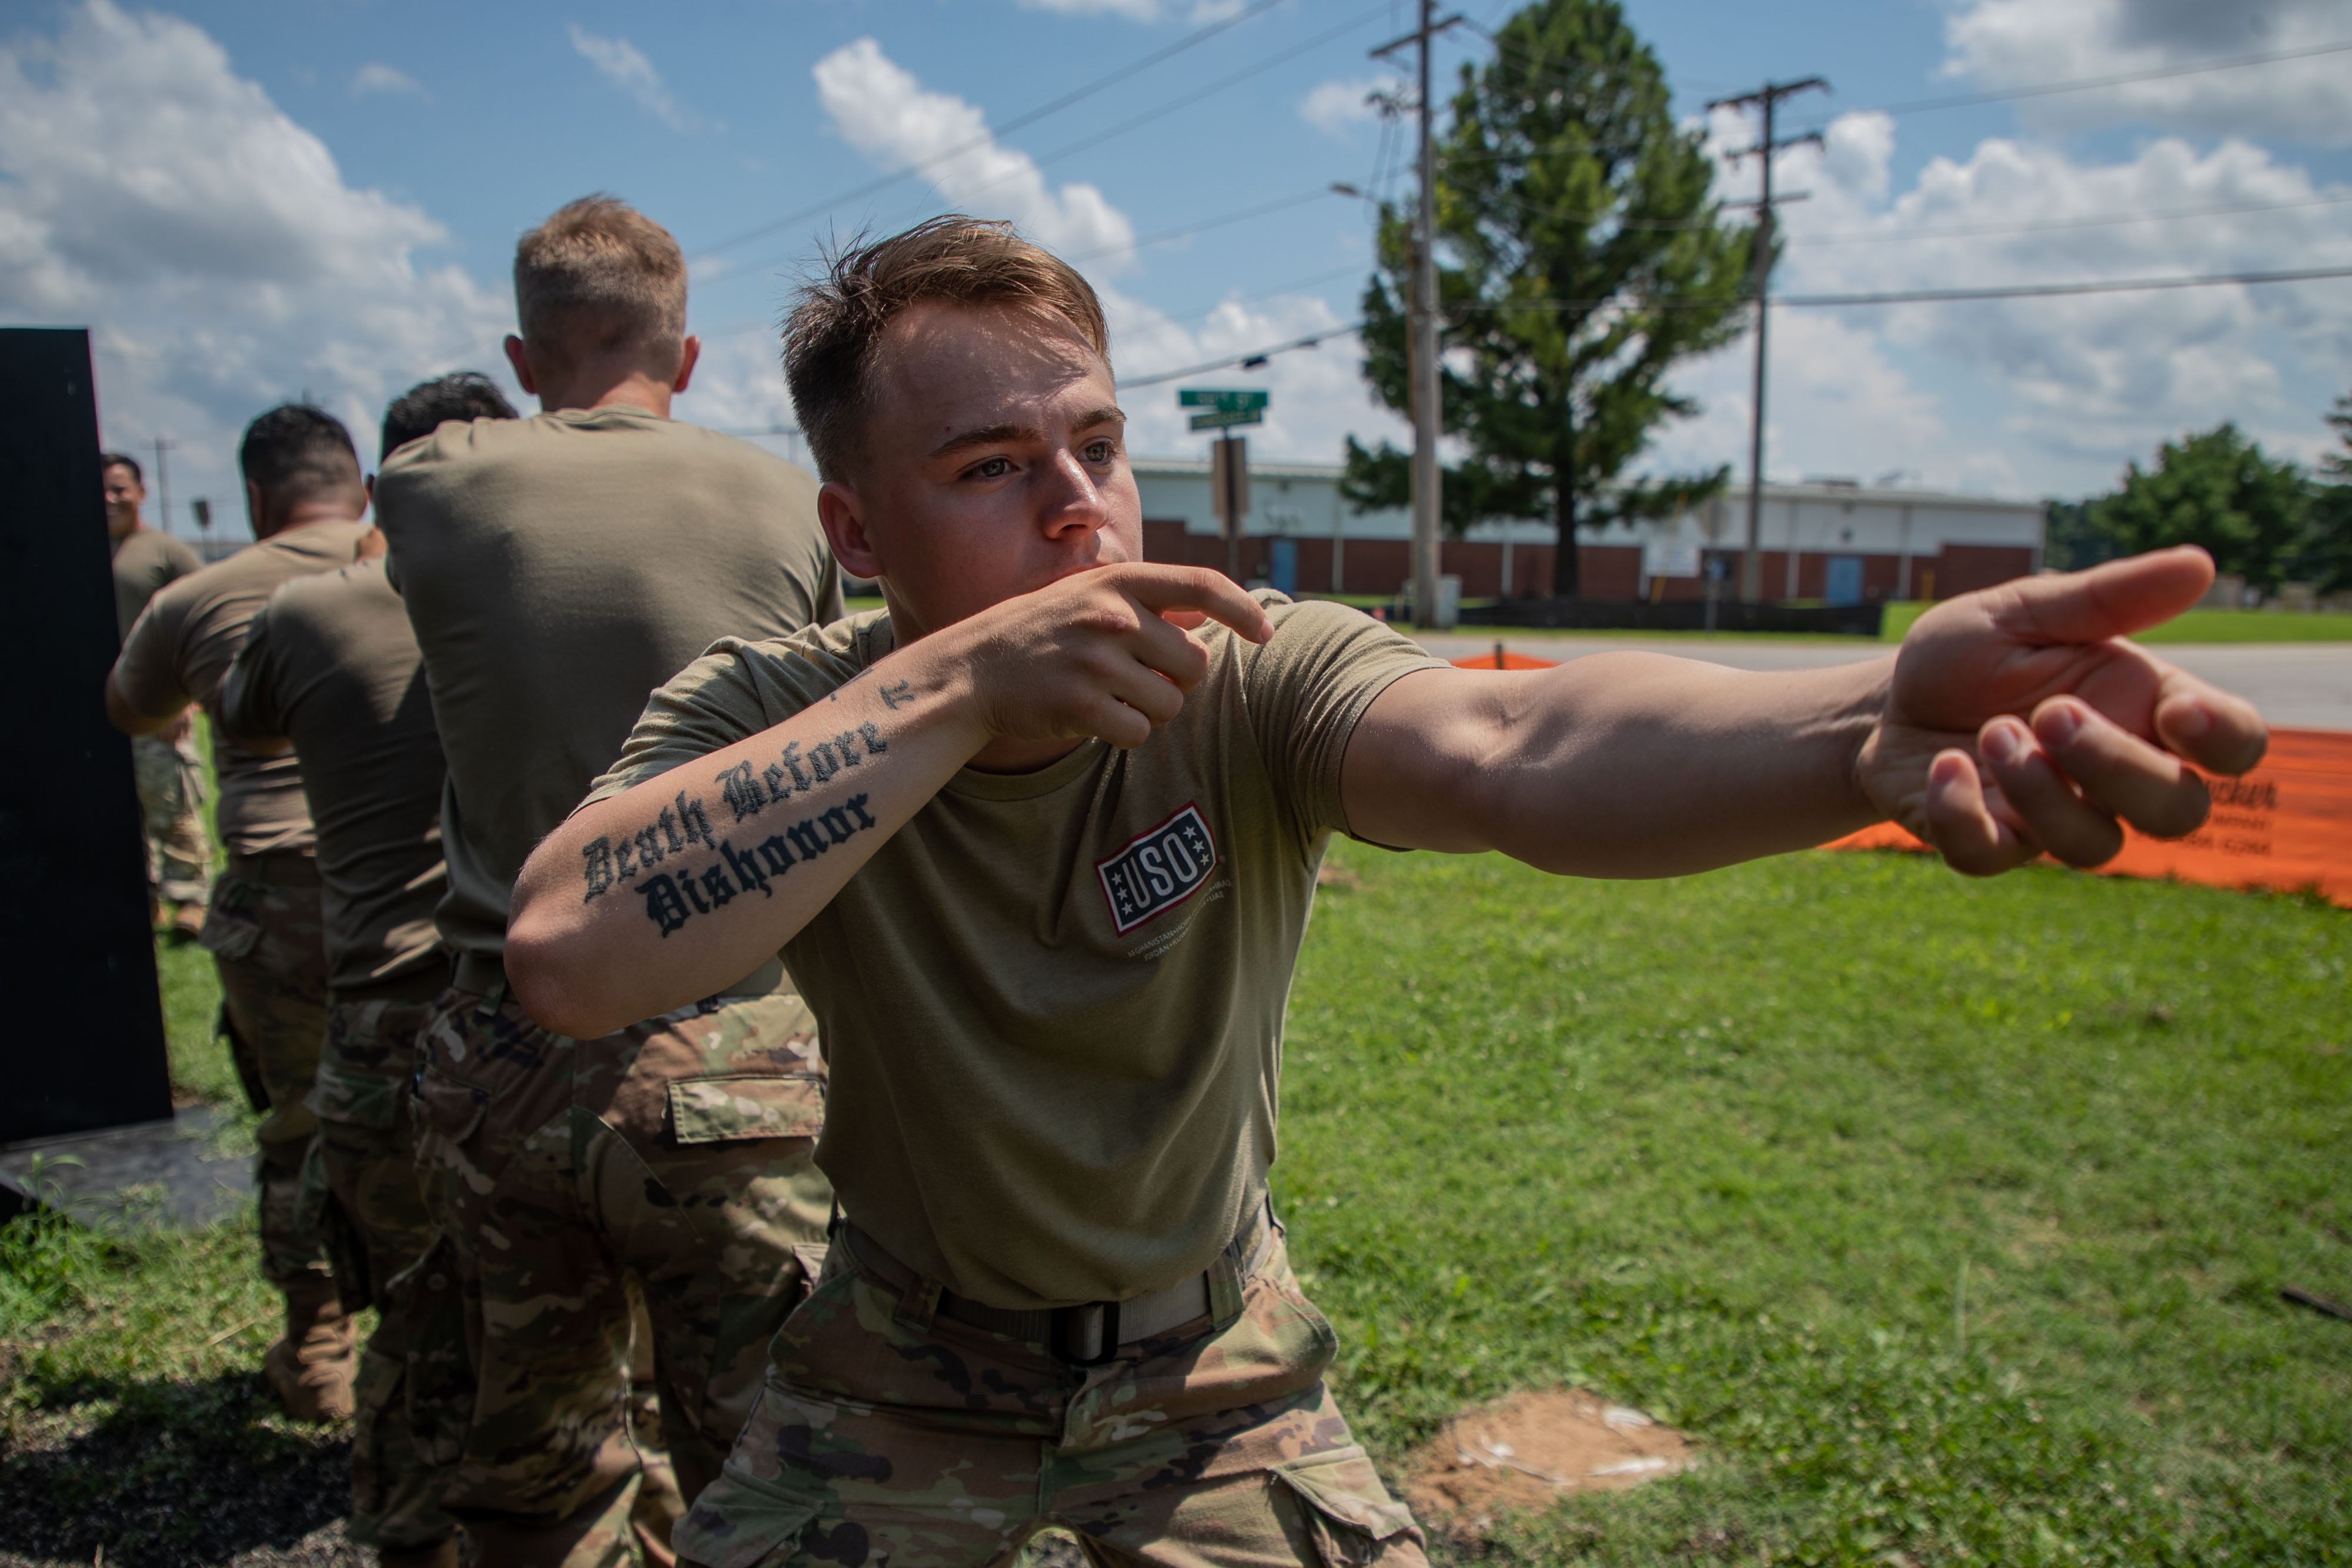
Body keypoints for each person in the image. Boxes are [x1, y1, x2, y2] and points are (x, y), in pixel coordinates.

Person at [505, 217, 2272, 1568]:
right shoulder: (785, 703)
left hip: (1209, 1364)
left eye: (1097, 449)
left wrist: (1860, 724)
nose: (1079, 513)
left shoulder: (1241, 676)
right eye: (992, 469)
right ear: (862, 537)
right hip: (897, 1347)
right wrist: (955, 690)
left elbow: (1513, 741)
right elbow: (571, 956)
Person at [373, 195, 844, 1566]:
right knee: (769, 1475)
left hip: (505, 1042)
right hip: (735, 1042)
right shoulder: (784, 500)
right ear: (685, 358)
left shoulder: (434, 486)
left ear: (521, 362)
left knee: (537, 1472)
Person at [215, 371, 519, 1568]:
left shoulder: (303, 614)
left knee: (413, 1331)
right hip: (527, 1031)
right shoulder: (548, 609)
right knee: (573, 1344)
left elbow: (241, 723)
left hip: (381, 1034)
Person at [107, 405, 372, 1423]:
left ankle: (318, 1350)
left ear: (258, 499)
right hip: (422, 880)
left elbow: (129, 707)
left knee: (300, 1120)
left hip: (278, 891)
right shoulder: (425, 565)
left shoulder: (199, 592)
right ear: (362, 489)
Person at [103, 450, 213, 938]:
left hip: (155, 705)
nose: (110, 498)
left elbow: (202, 619)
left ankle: (190, 898)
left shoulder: (164, 551)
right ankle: (144, 898)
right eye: (102, 489)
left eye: (120, 488)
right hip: (103, 707)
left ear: (141, 493)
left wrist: (183, 695)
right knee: (119, 810)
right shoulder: (74, 547)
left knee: (172, 802)